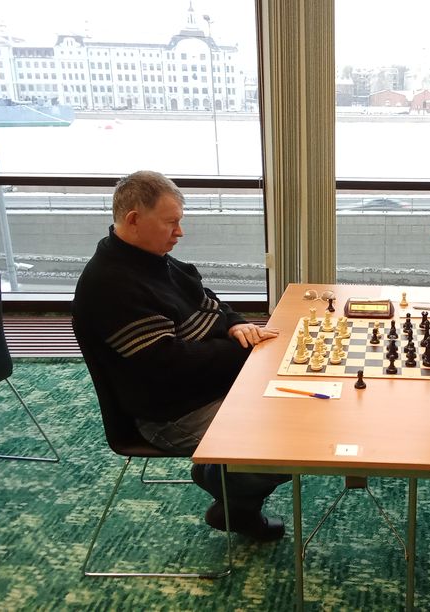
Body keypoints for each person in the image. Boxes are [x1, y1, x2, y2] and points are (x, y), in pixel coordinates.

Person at [73, 170, 289, 542]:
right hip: (171, 413)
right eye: (171, 222)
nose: (180, 232)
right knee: (292, 445)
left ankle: (219, 470)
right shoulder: (111, 285)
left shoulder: (153, 259)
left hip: (207, 387)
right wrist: (242, 350)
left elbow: (210, 302)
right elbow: (169, 366)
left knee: (299, 407)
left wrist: (236, 325)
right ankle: (233, 498)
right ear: (134, 220)